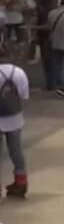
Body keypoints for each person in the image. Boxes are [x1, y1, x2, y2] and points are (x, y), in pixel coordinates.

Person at [0, 43, 30, 198]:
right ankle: (21, 182)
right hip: (15, 118)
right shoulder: (18, 72)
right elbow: (24, 95)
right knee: (16, 152)